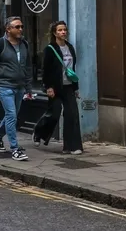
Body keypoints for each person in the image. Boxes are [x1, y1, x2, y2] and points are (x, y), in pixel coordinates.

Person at [0, 16, 32, 161]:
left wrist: (28, 88)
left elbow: (28, 67)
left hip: (19, 87)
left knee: (11, 116)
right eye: (17, 27)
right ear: (8, 29)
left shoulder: (24, 44)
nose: (21, 29)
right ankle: (15, 149)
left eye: (21, 26)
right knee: (11, 115)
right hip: (4, 86)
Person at [35, 20, 83, 155]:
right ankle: (38, 132)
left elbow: (72, 69)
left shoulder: (70, 47)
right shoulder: (50, 49)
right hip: (55, 87)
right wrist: (48, 87)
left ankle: (71, 147)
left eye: (64, 30)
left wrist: (76, 88)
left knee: (72, 115)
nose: (63, 32)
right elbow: (46, 70)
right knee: (54, 113)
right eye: (60, 30)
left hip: (68, 86)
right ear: (54, 33)